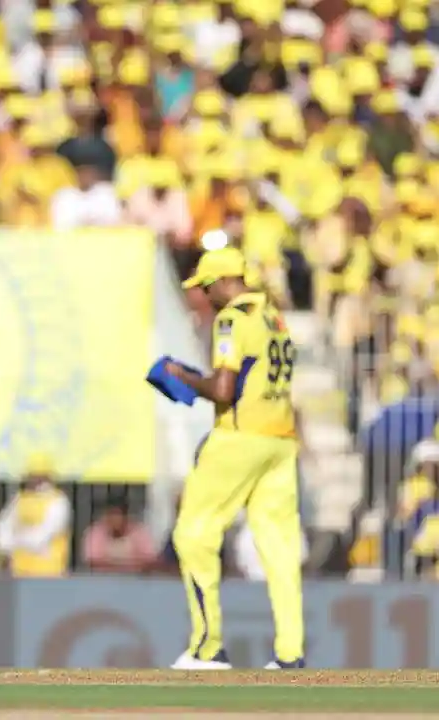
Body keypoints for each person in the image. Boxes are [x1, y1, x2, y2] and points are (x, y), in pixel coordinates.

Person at [165, 245, 305, 670]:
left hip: (239, 438)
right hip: (280, 441)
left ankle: (207, 647)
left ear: (224, 282)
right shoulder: (274, 317)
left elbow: (224, 390)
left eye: (207, 287)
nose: (205, 297)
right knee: (279, 548)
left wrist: (182, 377)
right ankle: (291, 653)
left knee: (193, 535)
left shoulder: (232, 319)